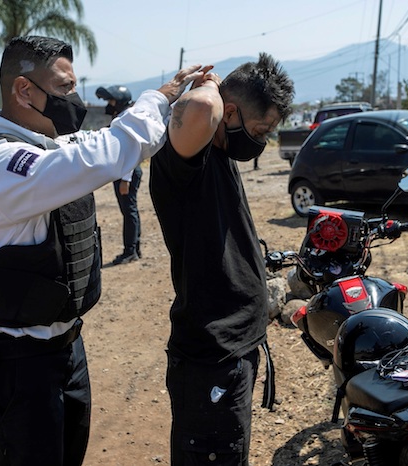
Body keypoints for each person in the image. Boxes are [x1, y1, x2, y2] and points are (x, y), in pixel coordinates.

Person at [0, 35, 204, 466]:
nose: (74, 99)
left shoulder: (46, 148)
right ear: (23, 90)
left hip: (62, 349)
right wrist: (157, 97)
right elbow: (110, 153)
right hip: (13, 365)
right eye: (64, 88)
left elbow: (97, 143)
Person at [149, 53, 294, 465]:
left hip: (232, 352)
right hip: (210, 355)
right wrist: (209, 85)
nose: (261, 140)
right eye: (260, 129)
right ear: (228, 111)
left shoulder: (220, 149)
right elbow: (199, 107)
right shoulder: (183, 158)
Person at [95, 85, 142, 264]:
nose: (109, 104)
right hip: (125, 170)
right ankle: (135, 248)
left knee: (129, 211)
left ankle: (130, 251)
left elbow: (130, 150)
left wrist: (125, 179)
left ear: (120, 102)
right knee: (131, 211)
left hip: (126, 171)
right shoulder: (122, 117)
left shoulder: (126, 119)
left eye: (111, 101)